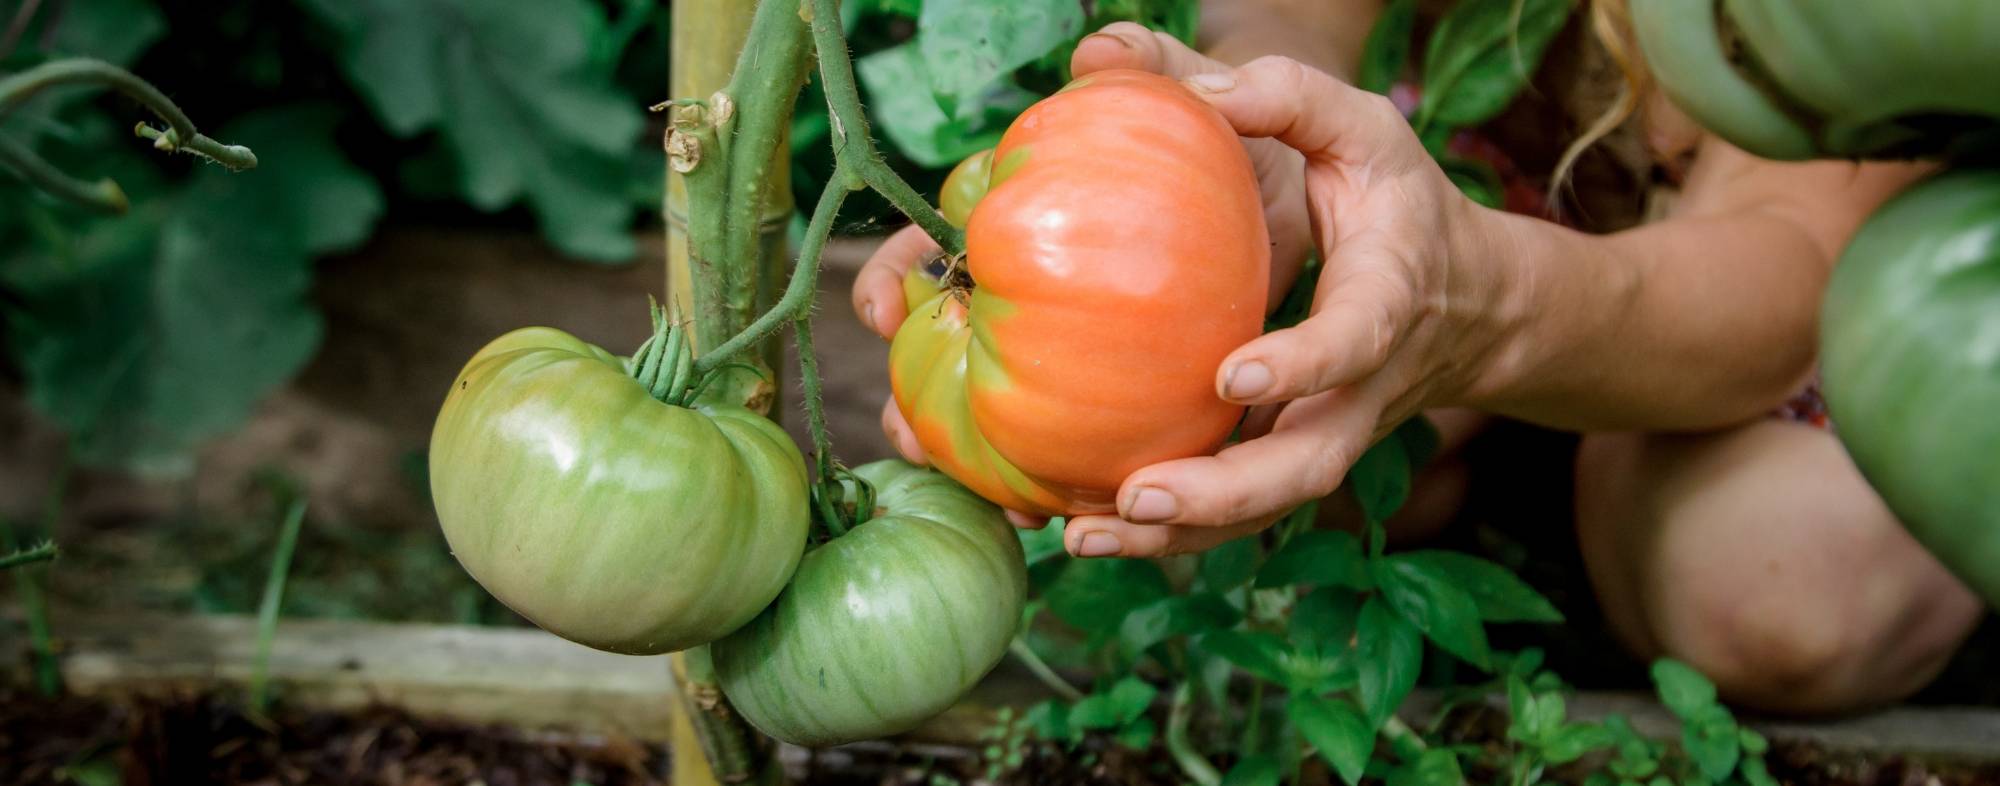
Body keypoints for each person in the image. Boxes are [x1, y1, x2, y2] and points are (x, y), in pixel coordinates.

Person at [848, 1, 1983, 715]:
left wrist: (1483, 304)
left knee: (1771, 585)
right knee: (1232, 482)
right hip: (1483, 199)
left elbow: (1789, 264)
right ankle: (1476, 418)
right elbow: (1296, 17)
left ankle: (1521, 399)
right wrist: (1232, 131)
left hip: (1761, 271)